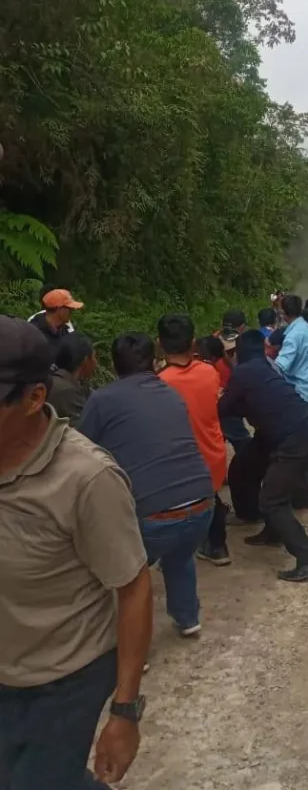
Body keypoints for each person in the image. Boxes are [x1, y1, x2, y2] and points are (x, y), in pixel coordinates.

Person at [0, 316, 152, 789]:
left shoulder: (86, 480)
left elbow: (134, 587)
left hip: (64, 678)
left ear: (34, 398)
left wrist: (125, 713)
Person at [78, 333, 214, 637]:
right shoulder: (170, 392)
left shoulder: (102, 400)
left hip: (153, 514)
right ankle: (188, 618)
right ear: (155, 362)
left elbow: (80, 447)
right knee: (180, 556)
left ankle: (131, 645)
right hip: (203, 503)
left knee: (127, 577)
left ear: (114, 365)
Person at [221, 330, 308, 582]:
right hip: (285, 432)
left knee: (272, 499)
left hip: (296, 440)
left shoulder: (244, 372)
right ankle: (265, 526)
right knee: (243, 463)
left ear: (238, 352)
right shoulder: (263, 367)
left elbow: (225, 408)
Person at [158, 314, 230, 568]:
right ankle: (217, 546)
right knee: (211, 498)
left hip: (181, 462)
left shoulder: (161, 383)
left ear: (159, 343)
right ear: (193, 344)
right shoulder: (209, 372)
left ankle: (180, 549)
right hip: (212, 454)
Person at [275, 294, 308, 477]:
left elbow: (281, 365)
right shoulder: (306, 329)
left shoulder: (294, 335)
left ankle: (301, 475)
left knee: (299, 437)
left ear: (283, 313)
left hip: (303, 391)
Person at [47, 332, 97, 427]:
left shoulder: (76, 382)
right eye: (94, 356)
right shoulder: (65, 391)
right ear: (86, 361)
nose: (96, 362)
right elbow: (87, 427)